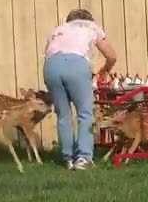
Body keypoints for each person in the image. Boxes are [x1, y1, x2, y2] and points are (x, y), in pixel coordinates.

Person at [43, 9, 117, 170]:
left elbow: (48, 52)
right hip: (76, 64)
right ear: (89, 19)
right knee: (85, 113)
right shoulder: (92, 27)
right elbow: (111, 56)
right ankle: (83, 158)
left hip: (51, 67)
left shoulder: (58, 30)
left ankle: (68, 158)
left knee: (63, 114)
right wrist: (104, 71)